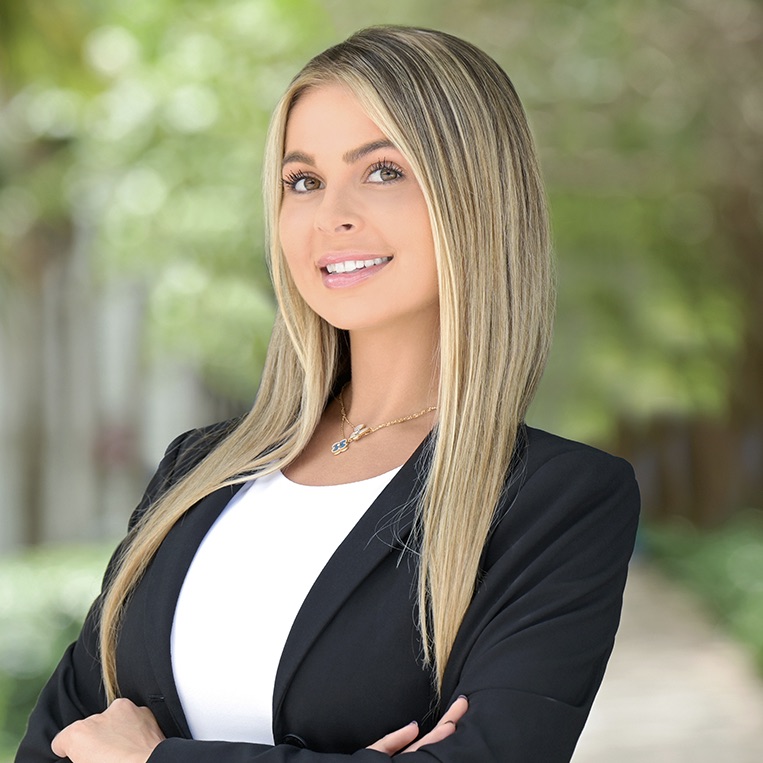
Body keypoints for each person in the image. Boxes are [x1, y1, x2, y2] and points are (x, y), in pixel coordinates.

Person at [16, 25, 640, 763]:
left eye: (381, 171)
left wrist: (151, 758)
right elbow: (61, 739)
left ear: (475, 196)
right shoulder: (198, 470)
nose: (329, 215)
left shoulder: (556, 501)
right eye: (302, 180)